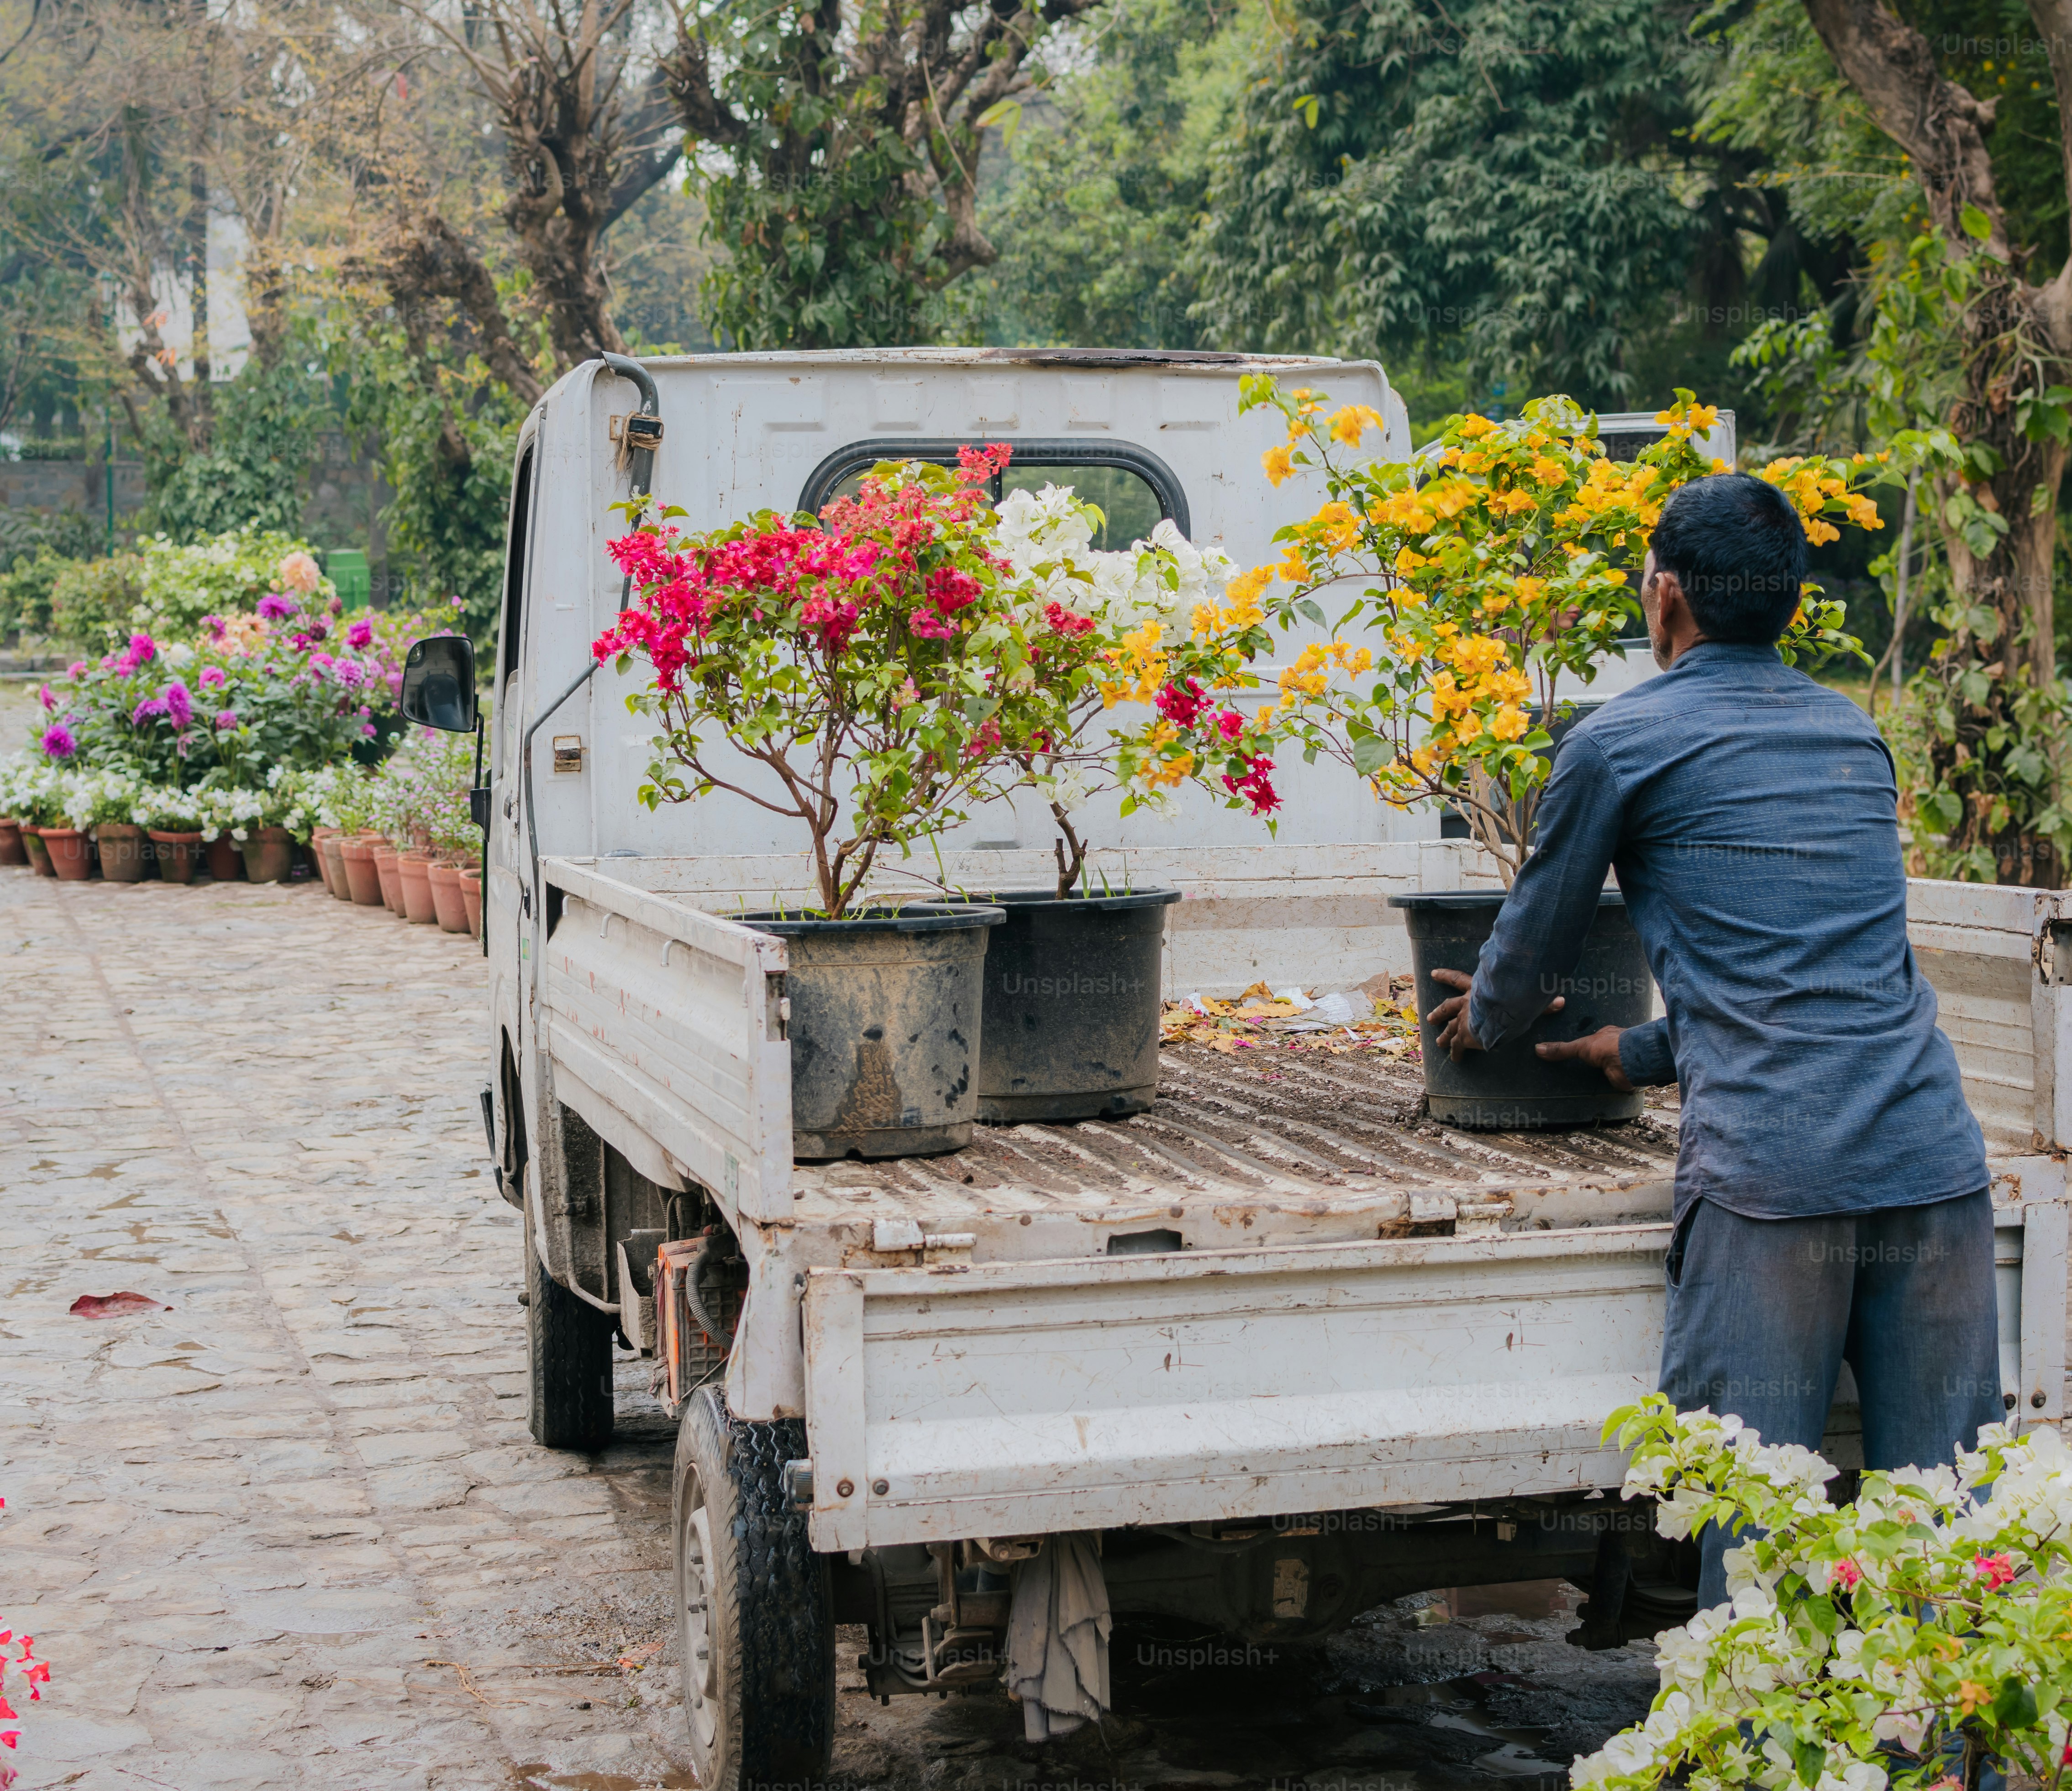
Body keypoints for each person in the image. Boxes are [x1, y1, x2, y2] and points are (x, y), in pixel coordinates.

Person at [1424, 471, 1998, 1610]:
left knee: (1759, 1547)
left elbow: (1531, 942)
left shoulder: (1620, 740)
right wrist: (1628, 1052)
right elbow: (1817, 980)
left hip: (1777, 1188)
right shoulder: (1852, 735)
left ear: (1666, 595)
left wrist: (1482, 1020)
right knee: (1945, 1545)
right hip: (1935, 1173)